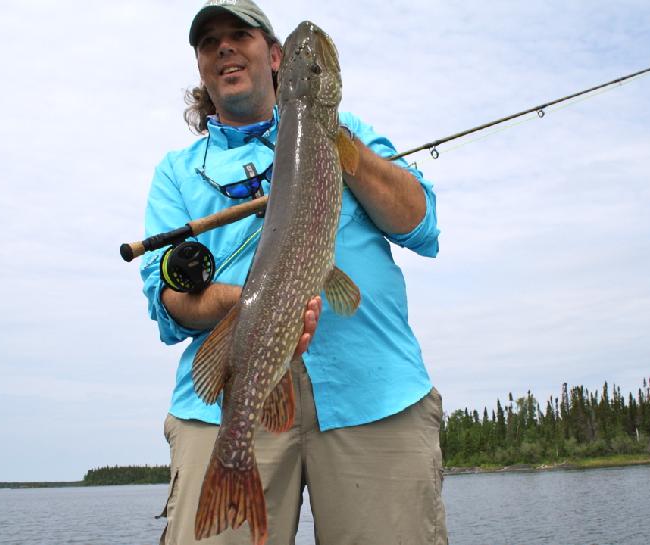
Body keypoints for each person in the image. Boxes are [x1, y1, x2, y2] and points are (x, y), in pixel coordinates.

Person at [139, 1, 447, 543]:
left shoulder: (347, 132)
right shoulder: (176, 173)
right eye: (210, 43)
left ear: (276, 56)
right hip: (231, 402)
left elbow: (420, 224)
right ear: (201, 67)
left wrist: (336, 138)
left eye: (240, 35)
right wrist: (252, 305)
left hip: (372, 392)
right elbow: (167, 308)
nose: (225, 48)